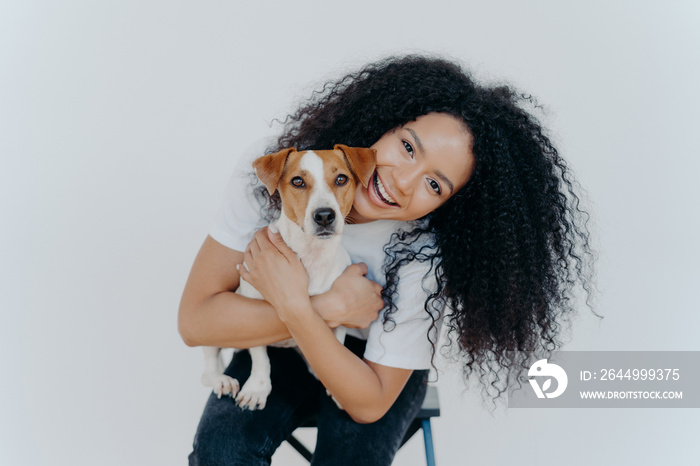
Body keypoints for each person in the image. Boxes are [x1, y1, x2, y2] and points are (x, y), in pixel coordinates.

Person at [179, 55, 595, 465]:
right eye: (408, 146)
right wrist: (325, 308)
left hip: (372, 367)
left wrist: (295, 305)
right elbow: (196, 322)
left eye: (434, 184)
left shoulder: (422, 253)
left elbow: (370, 403)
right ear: (385, 118)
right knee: (222, 453)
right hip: (272, 343)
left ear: (450, 205)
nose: (402, 180)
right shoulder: (280, 173)